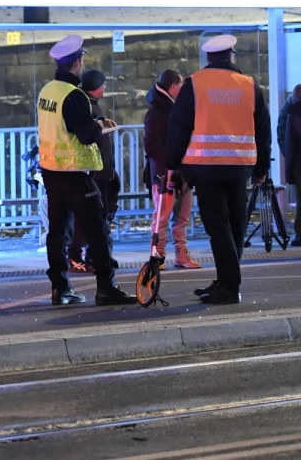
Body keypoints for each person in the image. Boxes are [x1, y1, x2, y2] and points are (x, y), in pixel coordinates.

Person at [166, 35, 271, 304]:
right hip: (239, 167)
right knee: (235, 226)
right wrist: (261, 168)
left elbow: (178, 127)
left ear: (209, 58)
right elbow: (263, 130)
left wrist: (173, 165)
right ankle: (227, 281)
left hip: (206, 169)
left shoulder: (195, 84)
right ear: (231, 56)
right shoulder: (249, 85)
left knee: (219, 227)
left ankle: (229, 286)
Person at [37, 35, 137, 306]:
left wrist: (93, 120)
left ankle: (60, 288)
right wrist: (100, 126)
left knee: (57, 233)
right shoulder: (75, 95)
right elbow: (85, 135)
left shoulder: (48, 91)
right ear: (78, 62)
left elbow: (62, 125)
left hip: (51, 172)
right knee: (98, 230)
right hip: (76, 174)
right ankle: (107, 287)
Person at [144, 69, 201, 268]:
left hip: (181, 170)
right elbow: (152, 145)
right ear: (174, 87)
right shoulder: (158, 112)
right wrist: (167, 171)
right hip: (166, 174)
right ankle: (158, 253)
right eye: (181, 87)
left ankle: (180, 253)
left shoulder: (170, 109)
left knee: (181, 216)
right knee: (163, 216)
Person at [68, 69, 119, 273]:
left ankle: (98, 255)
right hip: (94, 172)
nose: (105, 87)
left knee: (99, 216)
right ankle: (88, 256)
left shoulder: (90, 104)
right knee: (93, 217)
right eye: (103, 84)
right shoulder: (86, 105)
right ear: (96, 87)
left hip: (100, 171)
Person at [278, 83, 301, 246]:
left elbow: (285, 137)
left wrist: (290, 165)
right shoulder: (292, 110)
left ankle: (300, 233)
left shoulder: (291, 109)